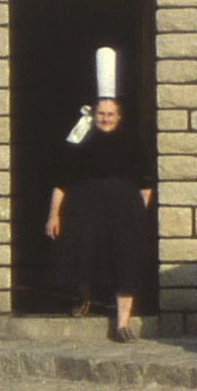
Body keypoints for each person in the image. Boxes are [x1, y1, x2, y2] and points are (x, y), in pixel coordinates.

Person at [45, 97, 153, 343]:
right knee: (83, 253)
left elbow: (146, 186)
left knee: (125, 261)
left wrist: (137, 213)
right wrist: (54, 214)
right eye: (101, 113)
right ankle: (83, 297)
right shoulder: (79, 144)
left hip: (124, 212)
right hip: (84, 210)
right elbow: (61, 184)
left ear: (119, 117)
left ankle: (122, 324)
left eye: (110, 114)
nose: (105, 118)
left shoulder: (132, 144)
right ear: (94, 115)